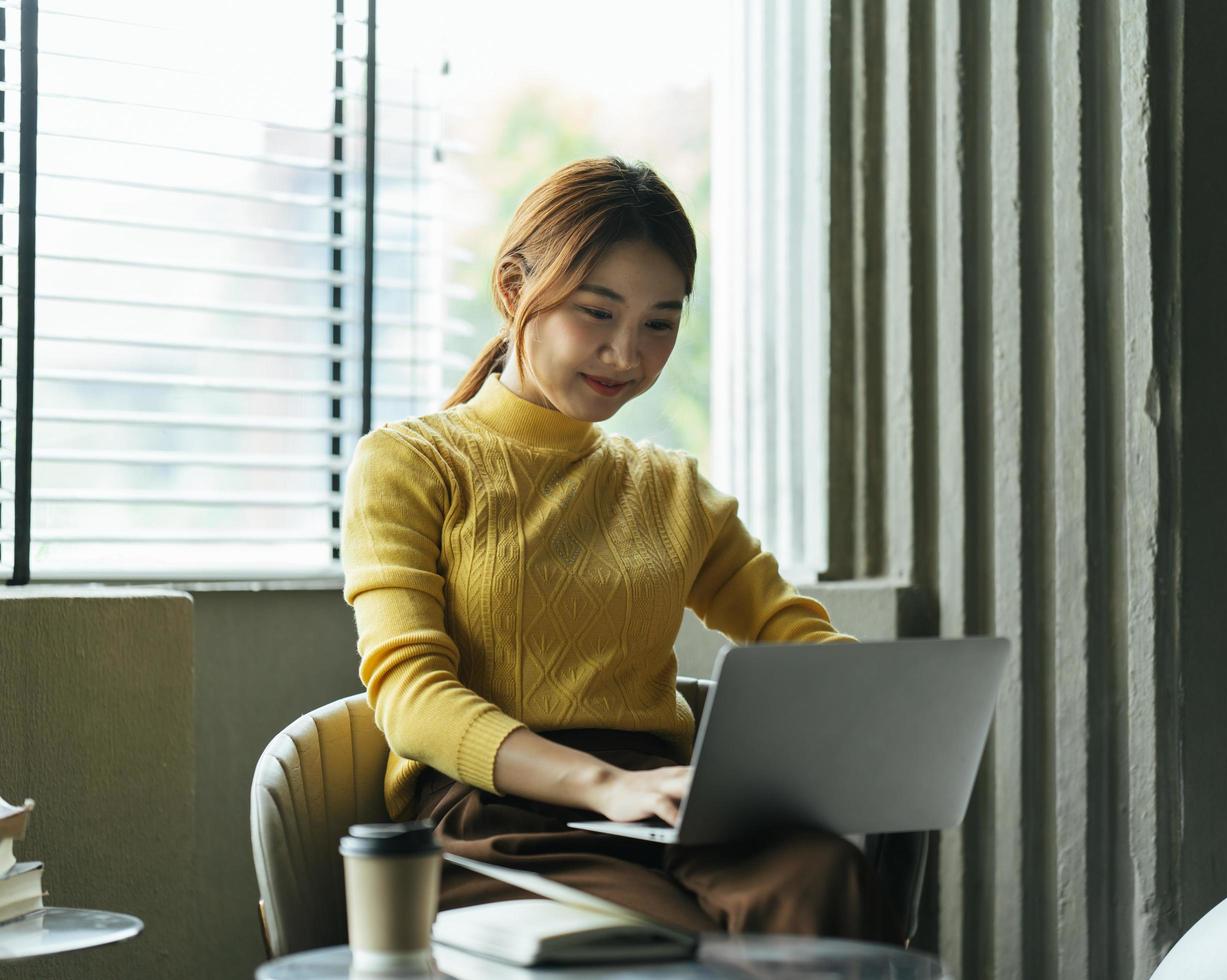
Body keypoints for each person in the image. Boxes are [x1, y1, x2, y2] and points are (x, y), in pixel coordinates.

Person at [341, 156, 899, 942]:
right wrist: (598, 784)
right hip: (497, 810)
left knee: (822, 877)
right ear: (512, 290)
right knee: (671, 943)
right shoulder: (410, 462)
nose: (626, 356)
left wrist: (895, 708)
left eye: (659, 324)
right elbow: (410, 697)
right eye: (596, 313)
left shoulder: (669, 489)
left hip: (661, 799)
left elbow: (791, 633)